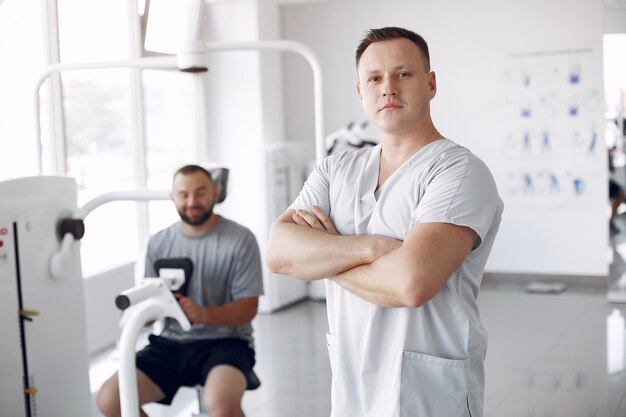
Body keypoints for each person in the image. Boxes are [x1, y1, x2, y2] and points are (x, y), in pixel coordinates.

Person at [266, 27, 503, 417]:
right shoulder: (335, 168)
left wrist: (326, 258)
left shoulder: (460, 172)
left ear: (430, 84)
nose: (388, 88)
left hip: (427, 393)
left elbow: (411, 283)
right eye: (374, 78)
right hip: (352, 384)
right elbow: (278, 252)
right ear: (361, 92)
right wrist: (371, 248)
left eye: (403, 74)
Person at [97, 164, 264, 417]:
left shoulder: (241, 239)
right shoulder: (158, 243)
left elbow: (248, 308)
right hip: (170, 343)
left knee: (221, 407)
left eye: (200, 193)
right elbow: (153, 301)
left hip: (227, 343)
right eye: (183, 194)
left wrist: (202, 314)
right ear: (172, 197)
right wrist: (139, 313)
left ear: (215, 194)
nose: (192, 201)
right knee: (110, 399)